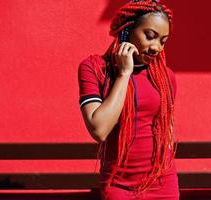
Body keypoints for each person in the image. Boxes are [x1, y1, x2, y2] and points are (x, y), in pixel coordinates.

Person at [78, 0, 178, 199]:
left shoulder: (165, 76)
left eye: (163, 41)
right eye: (149, 36)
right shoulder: (95, 68)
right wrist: (124, 74)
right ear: (126, 30)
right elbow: (99, 130)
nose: (156, 47)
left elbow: (166, 129)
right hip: (119, 185)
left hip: (161, 183)